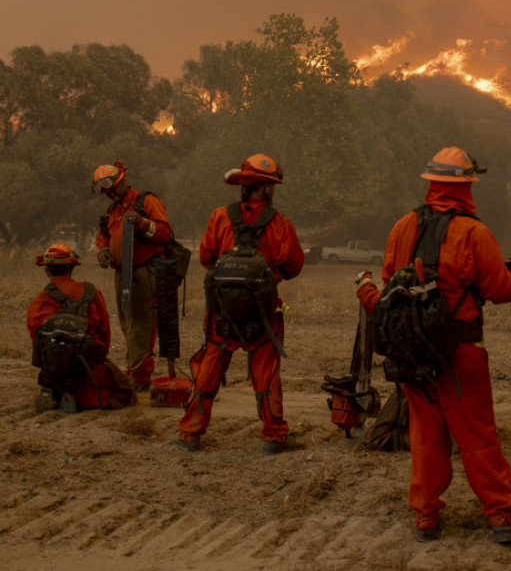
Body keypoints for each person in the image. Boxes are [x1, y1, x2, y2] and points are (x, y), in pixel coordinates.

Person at [356, 147, 511, 545]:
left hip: (410, 353)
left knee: (425, 435)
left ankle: (426, 517)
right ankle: (502, 516)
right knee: (476, 435)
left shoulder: (402, 226)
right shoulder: (474, 232)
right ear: (467, 186)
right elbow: (501, 290)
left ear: (432, 185)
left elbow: (389, 279)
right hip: (459, 353)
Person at [176, 154, 305, 454]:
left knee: (209, 368)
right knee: (267, 371)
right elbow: (295, 265)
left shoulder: (220, 216)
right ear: (265, 188)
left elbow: (208, 258)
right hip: (263, 314)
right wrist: (269, 279)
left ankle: (189, 435)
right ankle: (273, 436)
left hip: (222, 312)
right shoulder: (281, 224)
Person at [92, 161, 174, 391]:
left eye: (110, 189)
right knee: (127, 324)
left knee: (141, 323)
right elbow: (103, 236)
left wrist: (141, 223)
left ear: (121, 181)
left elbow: (164, 233)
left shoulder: (145, 202)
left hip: (144, 271)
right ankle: (134, 367)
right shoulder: (113, 210)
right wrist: (103, 252)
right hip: (121, 273)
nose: (108, 195)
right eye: (104, 192)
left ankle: (140, 375)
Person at [28, 243, 135, 413]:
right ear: (71, 268)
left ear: (47, 270)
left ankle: (52, 392)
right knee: (126, 391)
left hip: (53, 373)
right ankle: (74, 395)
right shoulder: (92, 293)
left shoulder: (39, 302)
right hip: (90, 374)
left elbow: (39, 344)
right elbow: (104, 341)